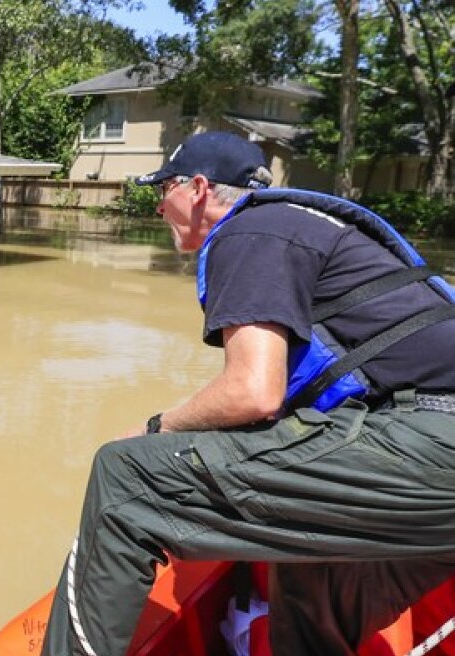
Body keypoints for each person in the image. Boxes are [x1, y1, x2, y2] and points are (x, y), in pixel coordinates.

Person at [39, 131, 455, 656]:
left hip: (432, 443)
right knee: (308, 575)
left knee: (125, 477)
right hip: (429, 464)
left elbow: (252, 393)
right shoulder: (299, 225)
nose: (158, 204)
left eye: (161, 189)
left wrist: (153, 428)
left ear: (196, 188)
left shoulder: (250, 233)